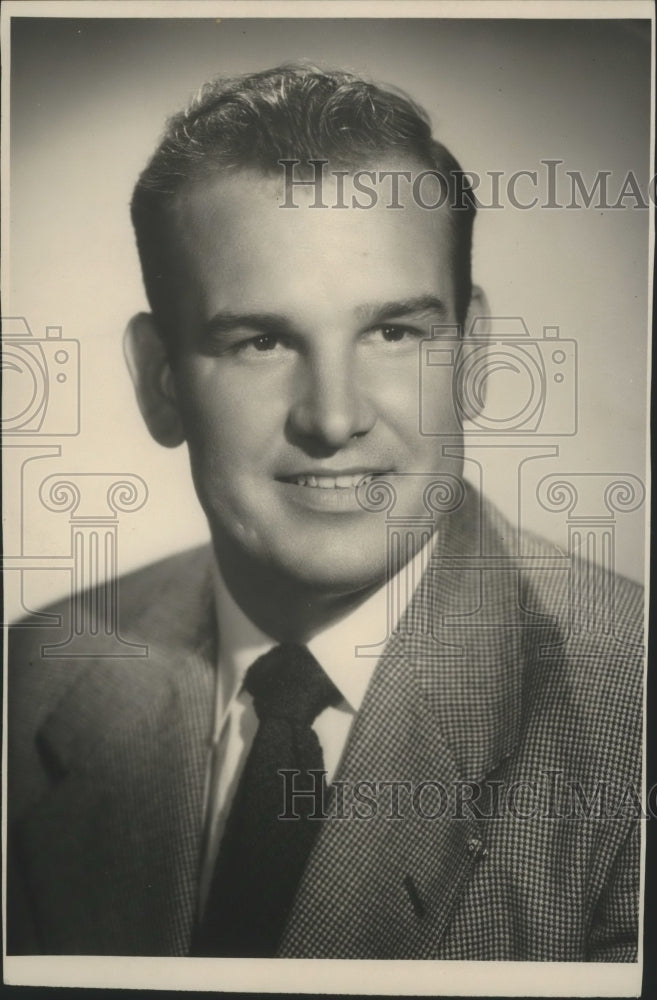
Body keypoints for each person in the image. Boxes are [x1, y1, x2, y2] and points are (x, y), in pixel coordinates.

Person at [7, 65, 643, 961]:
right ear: (159, 381)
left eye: (394, 333)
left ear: (471, 359)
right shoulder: (27, 682)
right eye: (260, 341)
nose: (334, 418)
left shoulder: (629, 720)